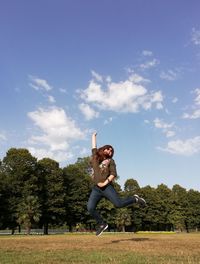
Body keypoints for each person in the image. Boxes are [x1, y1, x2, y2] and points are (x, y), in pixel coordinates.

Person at [87, 132, 146, 236]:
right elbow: (93, 146)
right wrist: (93, 136)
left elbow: (113, 174)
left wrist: (105, 182)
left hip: (106, 187)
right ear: (103, 149)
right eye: (108, 148)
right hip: (96, 189)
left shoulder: (111, 161)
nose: (110, 151)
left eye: (111, 151)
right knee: (90, 208)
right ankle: (102, 224)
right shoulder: (95, 157)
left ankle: (135, 199)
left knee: (118, 204)